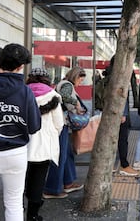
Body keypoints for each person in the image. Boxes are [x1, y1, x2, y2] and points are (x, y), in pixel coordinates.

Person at [0, 43, 41, 221]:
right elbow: (34, 126)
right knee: (14, 203)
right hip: (15, 153)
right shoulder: (25, 91)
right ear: (20, 67)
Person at [25, 68, 64, 220]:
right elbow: (59, 123)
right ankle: (33, 215)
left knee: (23, 178)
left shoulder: (23, 93)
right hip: (43, 146)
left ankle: (19, 209)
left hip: (23, 144)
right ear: (46, 79)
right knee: (39, 179)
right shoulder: (53, 96)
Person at [43, 66, 85, 199]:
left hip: (61, 123)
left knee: (66, 154)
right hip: (60, 124)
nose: (81, 83)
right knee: (61, 156)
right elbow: (65, 97)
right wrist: (77, 104)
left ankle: (68, 182)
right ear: (76, 76)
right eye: (80, 80)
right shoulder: (67, 85)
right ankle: (52, 189)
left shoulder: (63, 83)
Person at [95, 57, 138, 177]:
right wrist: (123, 114)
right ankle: (124, 165)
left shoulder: (110, 73)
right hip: (118, 113)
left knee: (110, 139)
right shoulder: (120, 75)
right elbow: (120, 95)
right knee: (122, 140)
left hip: (108, 112)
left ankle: (110, 166)